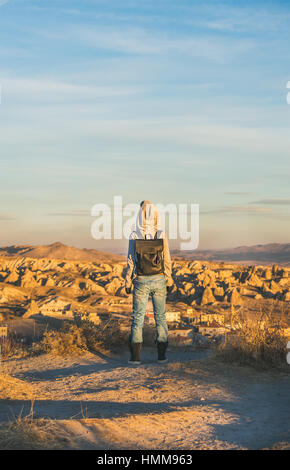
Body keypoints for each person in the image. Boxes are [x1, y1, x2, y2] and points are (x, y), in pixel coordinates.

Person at [125, 200, 174, 365]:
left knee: (137, 317)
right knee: (160, 317)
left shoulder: (134, 235)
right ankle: (161, 356)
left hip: (140, 280)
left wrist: (127, 282)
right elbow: (166, 259)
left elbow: (131, 261)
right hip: (159, 278)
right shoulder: (161, 234)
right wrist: (169, 278)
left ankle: (135, 357)